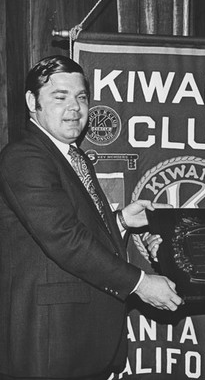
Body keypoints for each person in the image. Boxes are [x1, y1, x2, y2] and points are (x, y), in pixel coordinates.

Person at [0, 55, 183, 380]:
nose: (75, 108)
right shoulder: (24, 157)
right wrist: (140, 283)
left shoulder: (73, 154)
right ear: (32, 101)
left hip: (81, 340)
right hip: (51, 343)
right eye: (60, 97)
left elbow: (77, 225)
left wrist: (122, 221)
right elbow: (66, 239)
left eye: (81, 97)